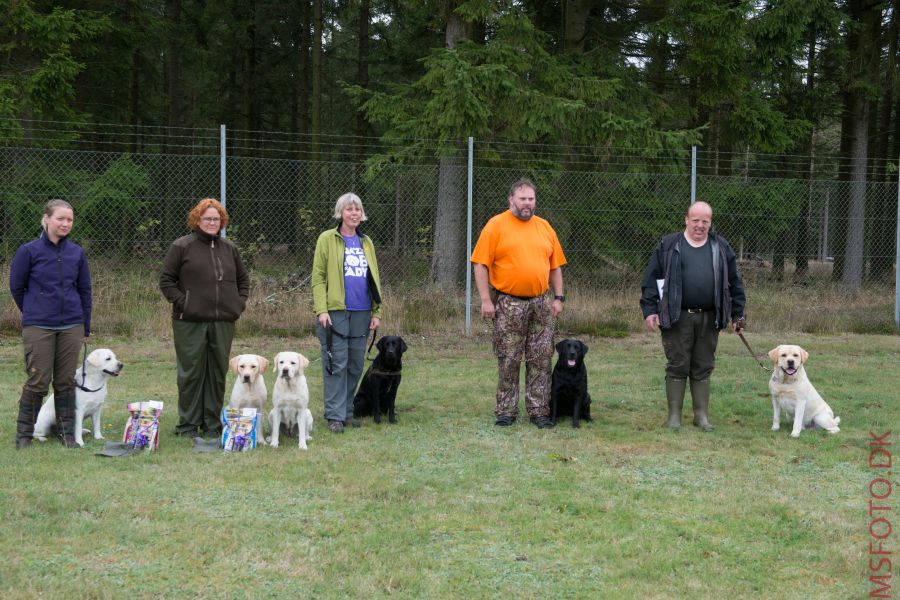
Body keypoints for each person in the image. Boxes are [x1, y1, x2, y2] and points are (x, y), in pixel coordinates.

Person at [639, 200, 746, 431]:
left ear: (710, 223)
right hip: (676, 317)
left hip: (710, 318)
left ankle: (701, 416)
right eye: (695, 220)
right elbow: (651, 280)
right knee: (677, 364)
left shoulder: (721, 247)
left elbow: (735, 283)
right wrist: (650, 310)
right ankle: (674, 417)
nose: (700, 225)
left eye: (705, 221)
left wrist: (738, 315)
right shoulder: (668, 245)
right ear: (686, 220)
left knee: (703, 365)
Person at [471, 178, 566, 429]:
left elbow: (555, 266)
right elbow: (480, 264)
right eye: (522, 198)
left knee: (541, 358)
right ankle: (506, 410)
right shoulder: (496, 225)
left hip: (540, 303)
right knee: (509, 357)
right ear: (511, 199)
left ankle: (538, 410)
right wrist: (485, 300)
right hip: (509, 304)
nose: (527, 203)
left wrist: (558, 297)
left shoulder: (544, 227)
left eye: (531, 199)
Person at [160, 198, 250, 438]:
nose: (212, 222)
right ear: (197, 220)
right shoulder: (182, 246)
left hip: (223, 321)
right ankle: (188, 424)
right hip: (189, 321)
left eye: (216, 218)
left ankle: (212, 423)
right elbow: (167, 281)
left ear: (222, 222)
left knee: (217, 372)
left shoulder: (230, 249)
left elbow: (243, 281)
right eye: (207, 218)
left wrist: (238, 304)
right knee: (191, 373)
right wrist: (185, 304)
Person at [10, 199, 92, 449]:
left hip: (72, 325)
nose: (65, 224)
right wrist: (35, 310)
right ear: (46, 218)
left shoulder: (76, 253)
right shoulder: (29, 251)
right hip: (39, 326)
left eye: (69, 220)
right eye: (60, 219)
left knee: (66, 380)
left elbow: (84, 290)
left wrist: (84, 326)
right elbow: (17, 286)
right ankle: (24, 434)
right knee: (38, 380)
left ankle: (67, 432)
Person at [312, 192, 382, 433]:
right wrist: (322, 309)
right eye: (349, 209)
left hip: (362, 313)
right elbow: (318, 278)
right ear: (340, 212)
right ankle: (334, 415)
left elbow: (374, 278)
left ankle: (347, 411)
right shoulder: (327, 239)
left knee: (354, 365)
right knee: (335, 364)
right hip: (335, 313)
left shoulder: (367, 242)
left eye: (357, 209)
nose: (354, 213)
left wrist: (377, 311)